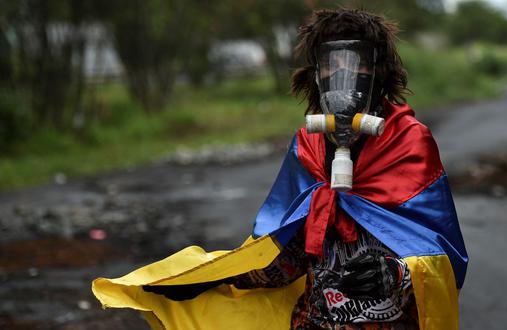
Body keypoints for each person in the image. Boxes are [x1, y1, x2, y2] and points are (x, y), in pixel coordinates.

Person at [92, 8, 468, 330]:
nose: (342, 75)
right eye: (330, 63)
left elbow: (444, 259)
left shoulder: (408, 142)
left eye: (356, 63)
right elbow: (287, 253)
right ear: (314, 73)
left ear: (379, 70)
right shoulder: (308, 145)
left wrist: (394, 274)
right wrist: (207, 281)